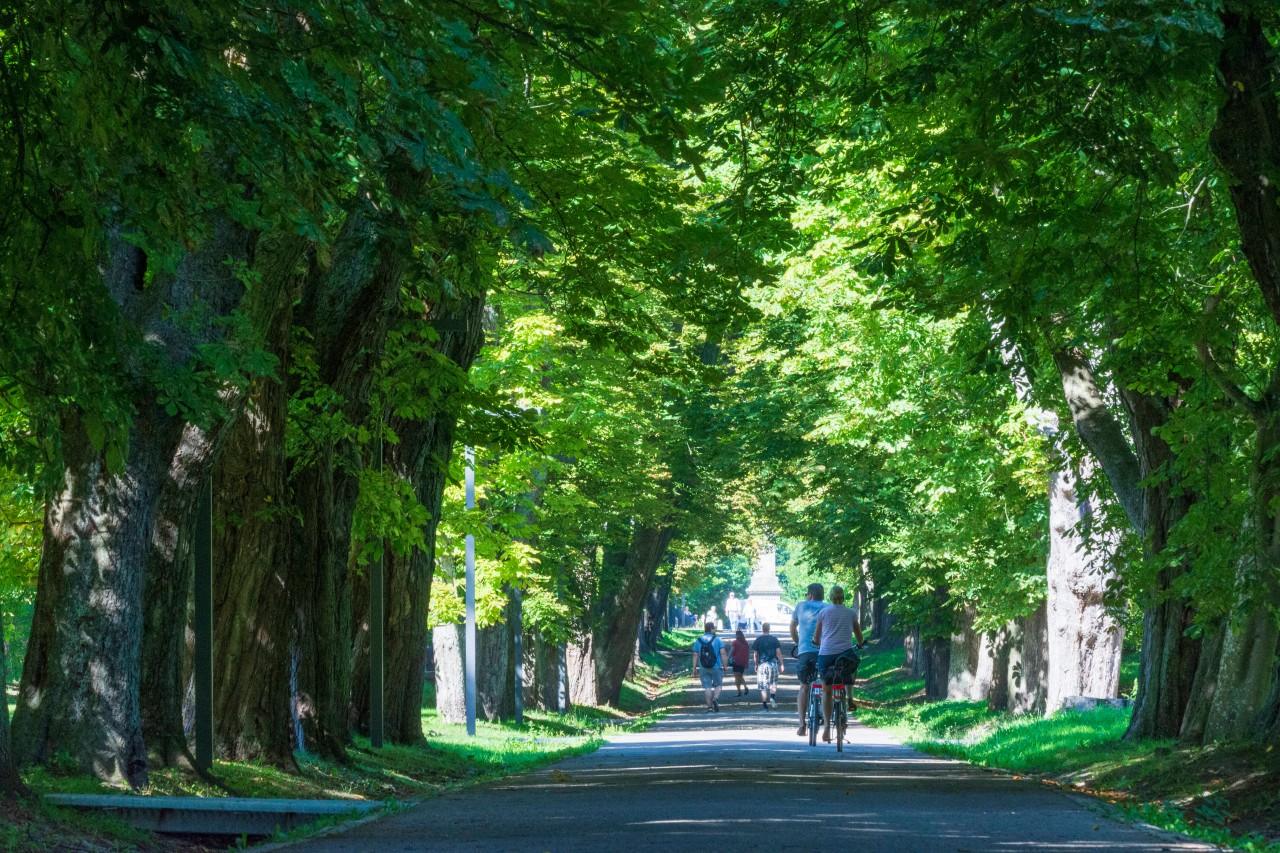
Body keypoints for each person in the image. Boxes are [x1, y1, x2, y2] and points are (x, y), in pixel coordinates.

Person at [812, 585, 865, 743]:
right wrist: (861, 643)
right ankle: (849, 698)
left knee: (826, 690)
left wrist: (817, 642)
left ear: (830, 597)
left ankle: (827, 727)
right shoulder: (851, 613)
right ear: (843, 597)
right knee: (849, 672)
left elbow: (816, 637)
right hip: (845, 654)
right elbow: (859, 636)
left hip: (826, 654)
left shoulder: (824, 612)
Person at [790, 582, 829, 737]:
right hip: (825, 651)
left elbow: (792, 628)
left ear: (810, 595)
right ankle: (827, 725)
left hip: (806, 651)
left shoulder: (801, 606)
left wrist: (798, 643)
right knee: (827, 688)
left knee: (804, 687)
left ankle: (802, 725)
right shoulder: (827, 608)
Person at [692, 621, 727, 712]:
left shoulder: (699, 640)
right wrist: (725, 665)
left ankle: (710, 708)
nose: (714, 630)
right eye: (714, 628)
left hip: (703, 668)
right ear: (711, 629)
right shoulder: (718, 639)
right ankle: (715, 698)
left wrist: (694, 668)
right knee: (718, 685)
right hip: (716, 667)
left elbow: (695, 655)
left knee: (707, 687)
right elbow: (723, 653)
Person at [752, 622, 784, 710]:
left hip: (762, 665)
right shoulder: (774, 639)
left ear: (762, 629)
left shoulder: (758, 640)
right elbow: (778, 653)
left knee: (763, 686)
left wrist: (755, 665)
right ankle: (772, 698)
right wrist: (781, 664)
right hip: (773, 664)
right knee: (773, 683)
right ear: (769, 629)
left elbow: (755, 654)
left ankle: (765, 706)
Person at [729, 630, 751, 696]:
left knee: (737, 677)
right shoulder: (746, 643)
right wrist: (747, 662)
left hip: (736, 661)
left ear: (736, 635)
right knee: (740, 675)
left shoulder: (735, 642)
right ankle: (745, 687)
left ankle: (739, 691)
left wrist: (728, 658)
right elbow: (747, 653)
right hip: (743, 661)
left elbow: (731, 651)